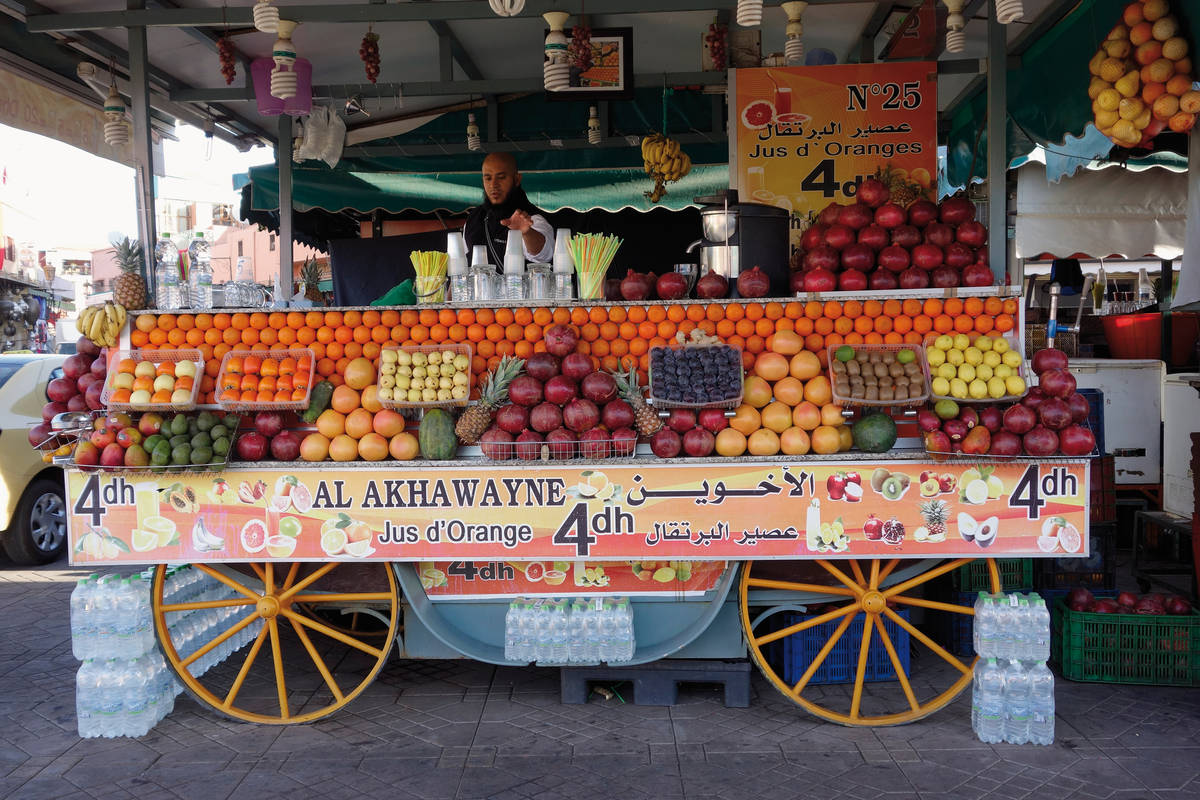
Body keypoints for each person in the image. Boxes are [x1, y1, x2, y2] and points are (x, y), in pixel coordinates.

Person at [462, 153, 555, 265]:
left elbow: (544, 255)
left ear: (516, 179)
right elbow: (462, 262)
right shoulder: (474, 218)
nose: (493, 185)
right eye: (488, 178)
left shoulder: (531, 217)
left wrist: (527, 232)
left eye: (501, 178)